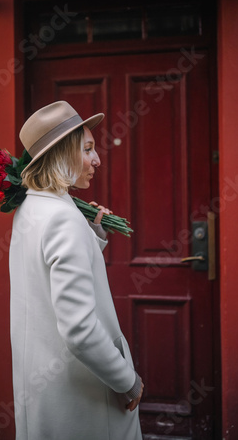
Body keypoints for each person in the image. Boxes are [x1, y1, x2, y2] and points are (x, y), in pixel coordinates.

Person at [9, 100, 143, 440]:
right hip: (83, 394)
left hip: (44, 384)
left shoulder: (33, 207)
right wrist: (127, 380)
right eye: (87, 149)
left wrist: (92, 234)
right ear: (61, 154)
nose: (96, 159)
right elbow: (80, 330)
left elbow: (44, 274)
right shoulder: (62, 218)